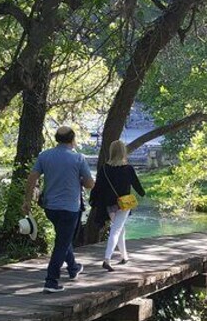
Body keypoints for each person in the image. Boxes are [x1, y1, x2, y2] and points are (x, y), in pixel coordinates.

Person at [22, 126, 94, 293]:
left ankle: (73, 268)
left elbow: (32, 177)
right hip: (70, 208)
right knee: (61, 243)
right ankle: (51, 281)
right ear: (72, 139)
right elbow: (90, 184)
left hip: (50, 207)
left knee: (63, 237)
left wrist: (27, 201)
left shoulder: (44, 156)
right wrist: (80, 180)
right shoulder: (78, 158)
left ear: (56, 139)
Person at [90, 140, 145, 272]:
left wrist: (93, 200)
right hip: (123, 204)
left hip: (109, 205)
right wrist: (142, 193)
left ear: (111, 152)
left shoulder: (104, 169)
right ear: (123, 152)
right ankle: (107, 259)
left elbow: (97, 187)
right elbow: (137, 186)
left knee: (119, 228)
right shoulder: (128, 169)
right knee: (116, 230)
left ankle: (124, 256)